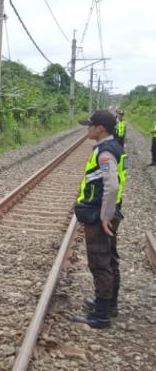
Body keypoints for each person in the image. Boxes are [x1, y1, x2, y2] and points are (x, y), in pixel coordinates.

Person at [73, 110, 127, 329]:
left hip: (99, 215)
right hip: (109, 211)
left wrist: (105, 216)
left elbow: (112, 185)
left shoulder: (105, 153)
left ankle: (101, 315)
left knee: (99, 262)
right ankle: (109, 305)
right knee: (109, 258)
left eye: (91, 125)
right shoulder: (113, 147)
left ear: (101, 129)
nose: (88, 128)